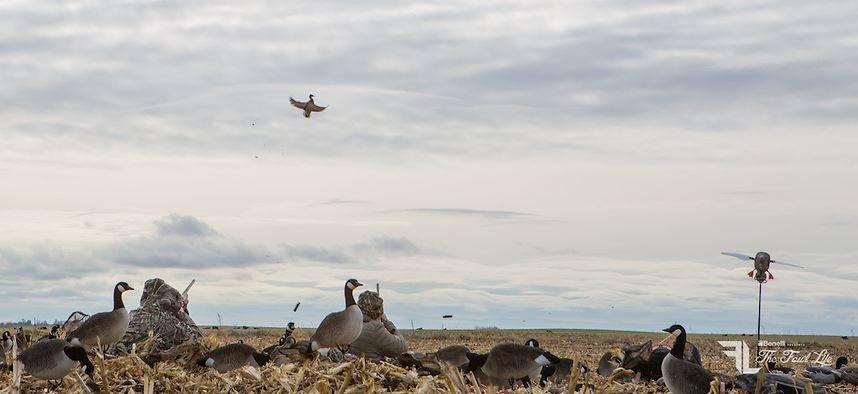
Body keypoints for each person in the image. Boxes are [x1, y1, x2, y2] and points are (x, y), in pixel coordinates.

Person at [347, 291, 406, 359]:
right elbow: (401, 348)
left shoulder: (350, 325)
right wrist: (387, 322)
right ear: (379, 311)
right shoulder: (375, 328)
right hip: (367, 368)